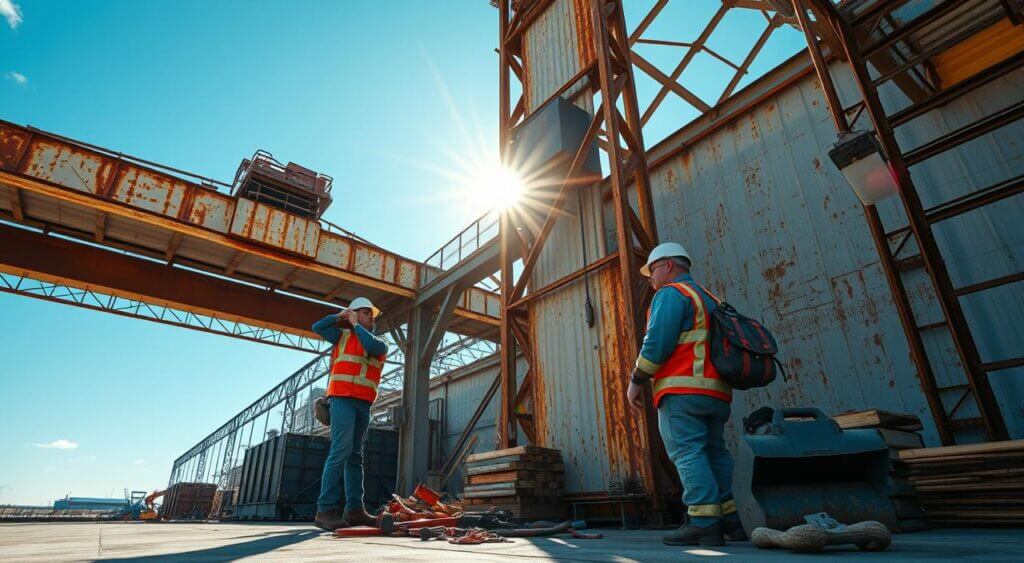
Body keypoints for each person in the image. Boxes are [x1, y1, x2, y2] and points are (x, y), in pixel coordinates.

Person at [626, 242, 744, 547]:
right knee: (715, 452)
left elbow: (656, 343)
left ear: (667, 265)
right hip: (716, 393)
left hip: (683, 389)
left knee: (687, 451)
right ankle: (732, 519)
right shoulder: (709, 298)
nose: (650, 279)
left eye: (652, 270)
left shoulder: (671, 294)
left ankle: (704, 523)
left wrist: (636, 379)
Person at [311, 297, 394, 533]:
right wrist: (341, 317)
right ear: (357, 314)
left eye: (371, 314)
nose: (371, 318)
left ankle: (355, 509)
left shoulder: (379, 342)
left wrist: (356, 324)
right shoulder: (342, 336)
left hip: (363, 404)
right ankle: (325, 510)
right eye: (367, 313)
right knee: (341, 450)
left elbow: (371, 347)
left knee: (355, 456)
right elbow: (318, 327)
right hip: (342, 399)